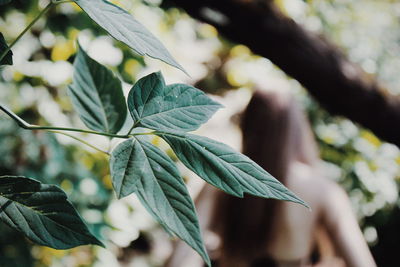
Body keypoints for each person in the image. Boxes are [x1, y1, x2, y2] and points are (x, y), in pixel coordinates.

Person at [166, 90, 376, 267]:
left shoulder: (222, 182)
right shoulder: (323, 191)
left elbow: (182, 256)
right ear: (296, 129)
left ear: (247, 125)